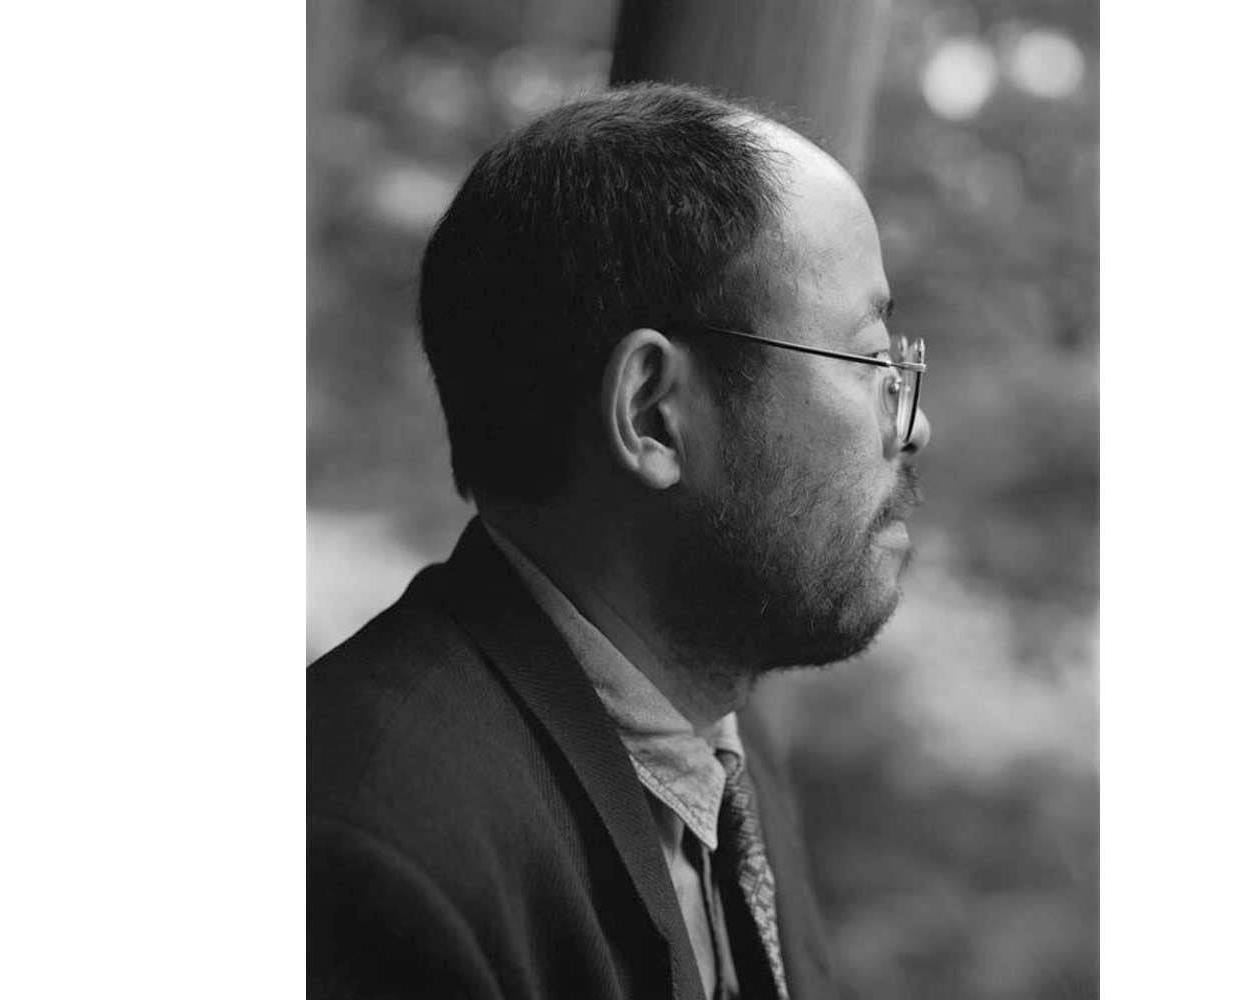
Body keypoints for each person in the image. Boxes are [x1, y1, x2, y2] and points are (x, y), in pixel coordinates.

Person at [307, 82, 931, 1000]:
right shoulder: (370, 855)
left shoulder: (725, 743)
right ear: (652, 414)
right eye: (871, 358)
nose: (914, 427)